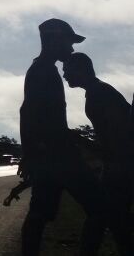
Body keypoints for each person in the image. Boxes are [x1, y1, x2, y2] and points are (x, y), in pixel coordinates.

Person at [19, 18, 121, 256]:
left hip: (55, 156)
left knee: (39, 215)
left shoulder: (44, 70)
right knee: (99, 208)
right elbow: (28, 113)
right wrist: (30, 154)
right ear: (54, 41)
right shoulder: (42, 71)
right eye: (69, 42)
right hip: (60, 158)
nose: (71, 49)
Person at [63, 52, 133, 254]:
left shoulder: (99, 93)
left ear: (81, 69)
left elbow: (118, 136)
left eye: (67, 70)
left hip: (122, 166)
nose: (65, 75)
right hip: (117, 165)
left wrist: (79, 139)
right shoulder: (97, 91)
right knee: (111, 220)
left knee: (106, 218)